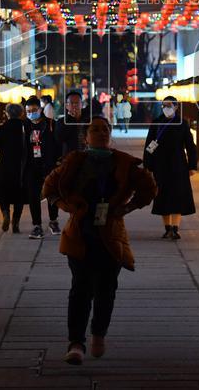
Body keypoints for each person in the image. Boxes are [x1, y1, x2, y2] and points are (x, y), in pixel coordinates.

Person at [42, 118, 157, 365]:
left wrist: (128, 208)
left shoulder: (123, 163)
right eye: (95, 129)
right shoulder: (74, 162)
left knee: (106, 289)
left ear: (111, 135)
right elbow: (49, 187)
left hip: (110, 236)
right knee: (80, 289)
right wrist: (64, 205)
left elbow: (149, 187)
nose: (101, 133)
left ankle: (98, 333)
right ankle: (75, 343)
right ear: (86, 137)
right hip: (79, 235)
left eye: (105, 129)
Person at [144, 96, 197, 240]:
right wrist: (148, 164)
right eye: (164, 106)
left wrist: (192, 165)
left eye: (169, 105)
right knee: (162, 196)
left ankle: (175, 228)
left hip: (178, 165)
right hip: (160, 165)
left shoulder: (182, 123)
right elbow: (149, 145)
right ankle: (167, 228)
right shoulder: (157, 123)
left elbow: (190, 146)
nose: (166, 108)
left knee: (178, 196)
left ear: (176, 107)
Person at [0, 103, 28, 233]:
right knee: (19, 197)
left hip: (4, 167)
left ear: (7, 114)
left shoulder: (2, 129)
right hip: (21, 167)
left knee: (2, 193)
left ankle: (5, 214)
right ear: (21, 114)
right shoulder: (25, 128)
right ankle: (16, 223)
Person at [23, 96, 60, 239]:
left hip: (49, 165)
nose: (31, 113)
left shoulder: (51, 124)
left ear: (40, 109)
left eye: (34, 110)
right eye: (28, 111)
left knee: (51, 194)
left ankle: (53, 221)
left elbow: (58, 144)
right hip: (31, 166)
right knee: (33, 196)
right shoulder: (24, 126)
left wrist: (57, 161)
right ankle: (37, 225)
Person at [55, 90, 88, 159]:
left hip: (87, 157)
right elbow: (59, 139)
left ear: (82, 104)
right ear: (66, 105)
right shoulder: (61, 122)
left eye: (77, 103)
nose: (75, 105)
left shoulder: (87, 120)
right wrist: (71, 118)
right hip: (69, 158)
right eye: (72, 103)